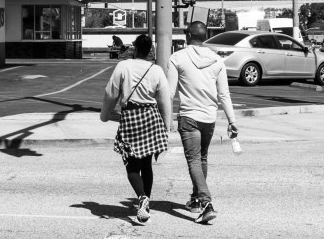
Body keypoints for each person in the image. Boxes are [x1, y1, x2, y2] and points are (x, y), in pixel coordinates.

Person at [166, 21, 238, 225]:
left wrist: (166, 119)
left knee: (194, 161)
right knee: (202, 159)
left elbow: (170, 93)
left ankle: (206, 203)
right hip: (209, 117)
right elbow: (224, 94)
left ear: (188, 36)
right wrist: (232, 120)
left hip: (189, 116)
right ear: (205, 36)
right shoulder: (216, 60)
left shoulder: (177, 58)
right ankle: (196, 199)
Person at [100, 34, 172, 226]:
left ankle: (141, 198)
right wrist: (166, 125)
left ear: (134, 49)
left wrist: (105, 115)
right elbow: (164, 100)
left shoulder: (123, 66)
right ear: (150, 51)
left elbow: (111, 93)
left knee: (132, 165)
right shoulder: (156, 70)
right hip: (151, 117)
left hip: (131, 117)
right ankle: (145, 204)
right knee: (146, 164)